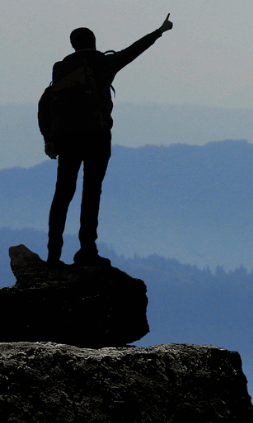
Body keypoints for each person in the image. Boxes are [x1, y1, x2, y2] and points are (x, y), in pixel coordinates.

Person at [44, 15, 173, 266]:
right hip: (97, 136)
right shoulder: (103, 62)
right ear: (93, 42)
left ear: (73, 44)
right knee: (91, 192)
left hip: (67, 138)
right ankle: (87, 250)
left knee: (63, 194)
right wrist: (159, 31)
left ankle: (53, 255)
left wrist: (49, 138)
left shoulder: (60, 68)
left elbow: (46, 102)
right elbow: (134, 50)